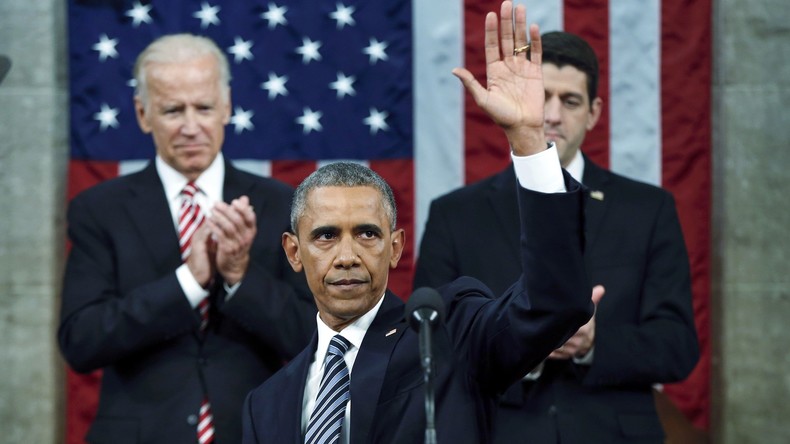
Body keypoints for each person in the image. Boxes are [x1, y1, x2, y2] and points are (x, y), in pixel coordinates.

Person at [241, 3, 594, 443]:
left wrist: (526, 138)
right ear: (294, 252)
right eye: (326, 236)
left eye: (367, 233)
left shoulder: (448, 339)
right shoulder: (266, 403)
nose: (347, 256)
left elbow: (555, 305)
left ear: (395, 246)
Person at [413, 30, 700, 443]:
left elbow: (678, 346)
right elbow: (431, 343)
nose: (551, 115)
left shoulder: (647, 209)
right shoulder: (455, 214)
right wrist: (525, 342)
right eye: (541, 97)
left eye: (570, 101)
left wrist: (593, 342)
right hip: (498, 430)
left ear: (594, 112)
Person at [58, 34, 316, 443]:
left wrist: (239, 277)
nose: (191, 127)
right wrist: (188, 282)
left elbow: (313, 338)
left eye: (204, 108)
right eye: (173, 110)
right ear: (143, 114)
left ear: (227, 106)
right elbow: (81, 341)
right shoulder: (99, 209)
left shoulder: (282, 204)